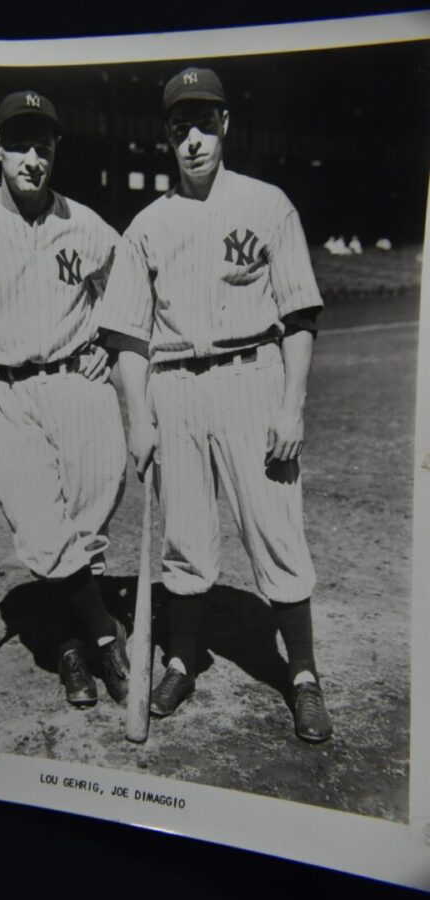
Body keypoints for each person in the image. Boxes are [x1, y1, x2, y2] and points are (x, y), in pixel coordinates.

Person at [98, 67, 332, 743]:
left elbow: (299, 317)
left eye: (204, 124)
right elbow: (127, 336)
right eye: (180, 128)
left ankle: (305, 676)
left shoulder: (268, 205)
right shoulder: (147, 225)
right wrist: (137, 415)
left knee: (276, 530)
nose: (193, 140)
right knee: (185, 539)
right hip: (175, 387)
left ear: (225, 125)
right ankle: (180, 659)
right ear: (166, 137)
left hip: (251, 378)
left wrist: (292, 407)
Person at [0, 90, 129, 710]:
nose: (33, 157)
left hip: (79, 385)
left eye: (44, 145)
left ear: (56, 149)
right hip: (5, 390)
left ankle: (65, 648)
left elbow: (128, 293)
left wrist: (109, 347)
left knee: (90, 517)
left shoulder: (84, 223)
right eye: (20, 144)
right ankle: (101, 634)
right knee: (40, 527)